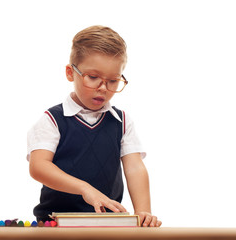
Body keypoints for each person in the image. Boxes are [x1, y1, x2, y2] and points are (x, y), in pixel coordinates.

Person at [27, 25, 162, 227]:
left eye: (113, 81)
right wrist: (84, 188)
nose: (103, 88)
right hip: (55, 225)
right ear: (70, 73)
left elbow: (134, 167)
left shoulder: (122, 122)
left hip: (107, 224)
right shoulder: (51, 119)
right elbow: (39, 166)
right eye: (93, 77)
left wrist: (143, 212)